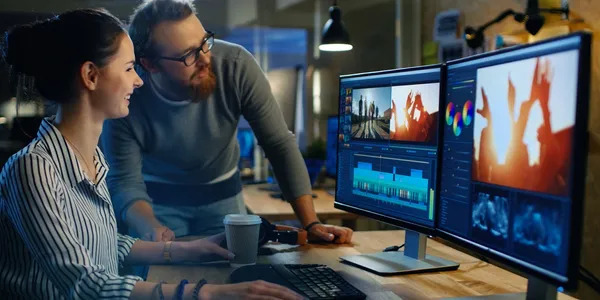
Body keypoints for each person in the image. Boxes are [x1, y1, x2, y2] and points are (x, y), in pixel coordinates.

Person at [0, 9, 303, 299]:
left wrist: (194, 247)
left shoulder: (90, 160)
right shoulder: (32, 169)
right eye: (129, 68)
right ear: (91, 76)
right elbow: (86, 285)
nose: (139, 80)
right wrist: (209, 293)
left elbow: (103, 245)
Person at [102, 0, 353, 244]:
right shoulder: (127, 92)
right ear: (149, 64)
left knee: (235, 273)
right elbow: (125, 181)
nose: (205, 59)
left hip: (224, 199)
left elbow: (278, 144)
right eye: (189, 54)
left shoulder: (236, 65)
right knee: (164, 276)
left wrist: (311, 224)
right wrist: (152, 229)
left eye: (204, 43)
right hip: (156, 205)